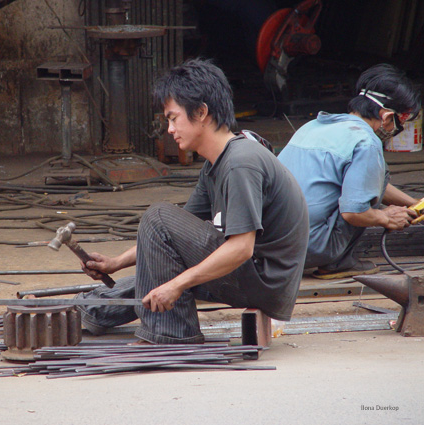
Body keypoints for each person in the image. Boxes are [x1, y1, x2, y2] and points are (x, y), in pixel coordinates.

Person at [76, 58, 309, 344]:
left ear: (201, 112)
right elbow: (166, 241)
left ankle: (172, 333)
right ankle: (95, 311)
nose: (170, 129)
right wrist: (114, 263)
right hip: (253, 275)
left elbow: (241, 249)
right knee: (159, 245)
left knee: (158, 216)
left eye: (173, 118)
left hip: (263, 281)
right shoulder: (215, 164)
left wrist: (177, 284)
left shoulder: (240, 163)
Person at [278, 63, 422, 280]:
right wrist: (386, 217)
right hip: (308, 247)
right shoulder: (366, 142)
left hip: (271, 244)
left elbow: (366, 180)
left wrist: (413, 204)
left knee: (366, 182)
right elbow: (353, 212)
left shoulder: (314, 126)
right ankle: (337, 262)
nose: (395, 131)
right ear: (386, 117)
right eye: (399, 122)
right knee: (364, 193)